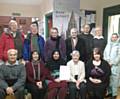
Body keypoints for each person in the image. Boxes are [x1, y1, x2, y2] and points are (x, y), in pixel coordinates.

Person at [104, 33, 120, 99]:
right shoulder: (108, 45)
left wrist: (112, 63)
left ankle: (114, 94)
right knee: (109, 79)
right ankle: (110, 93)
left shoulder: (119, 46)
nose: (114, 38)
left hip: (115, 66)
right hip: (108, 65)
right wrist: (107, 61)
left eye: (115, 37)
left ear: (117, 38)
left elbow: (119, 56)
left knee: (115, 80)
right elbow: (105, 53)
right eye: (113, 37)